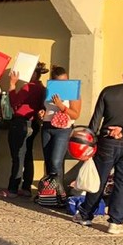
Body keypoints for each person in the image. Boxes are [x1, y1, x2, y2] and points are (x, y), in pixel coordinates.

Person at [75, 64, 123, 235]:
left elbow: (94, 123)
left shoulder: (108, 91)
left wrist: (90, 143)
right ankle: (116, 222)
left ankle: (86, 215)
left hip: (107, 143)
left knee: (99, 179)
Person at [2, 63, 47, 198]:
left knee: (18, 157)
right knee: (27, 157)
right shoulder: (42, 88)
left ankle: (13, 189)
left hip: (20, 123)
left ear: (33, 74)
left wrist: (12, 84)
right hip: (33, 123)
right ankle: (26, 188)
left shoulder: (29, 87)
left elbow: (14, 101)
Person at [39, 65, 82, 204]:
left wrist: (61, 106)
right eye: (59, 82)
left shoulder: (73, 92)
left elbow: (76, 114)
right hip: (47, 126)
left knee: (56, 161)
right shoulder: (48, 91)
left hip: (63, 129)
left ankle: (60, 195)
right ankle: (49, 194)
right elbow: (45, 107)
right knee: (48, 161)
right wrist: (41, 113)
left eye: (65, 81)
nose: (63, 84)